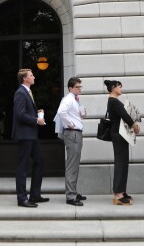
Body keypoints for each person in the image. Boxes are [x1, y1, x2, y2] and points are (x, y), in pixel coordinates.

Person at [13, 69, 48, 208]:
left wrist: (36, 113)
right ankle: (22, 198)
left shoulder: (27, 92)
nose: (34, 77)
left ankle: (35, 194)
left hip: (31, 135)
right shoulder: (20, 93)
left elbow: (25, 111)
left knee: (40, 161)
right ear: (25, 79)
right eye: (31, 75)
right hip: (25, 135)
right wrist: (36, 120)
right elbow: (20, 115)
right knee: (22, 167)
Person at [105, 80, 140, 206]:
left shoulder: (112, 101)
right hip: (119, 134)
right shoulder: (114, 101)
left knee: (123, 162)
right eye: (120, 86)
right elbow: (124, 115)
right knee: (120, 162)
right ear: (114, 87)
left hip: (119, 134)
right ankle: (118, 194)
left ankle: (121, 191)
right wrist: (134, 125)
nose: (121, 88)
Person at [55, 77, 87, 206]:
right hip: (72, 133)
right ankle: (71, 196)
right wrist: (70, 124)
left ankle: (73, 191)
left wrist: (81, 113)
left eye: (80, 87)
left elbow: (77, 114)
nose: (79, 88)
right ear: (70, 88)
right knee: (72, 165)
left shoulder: (75, 99)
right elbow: (61, 112)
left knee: (74, 164)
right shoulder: (68, 99)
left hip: (76, 134)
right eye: (77, 87)